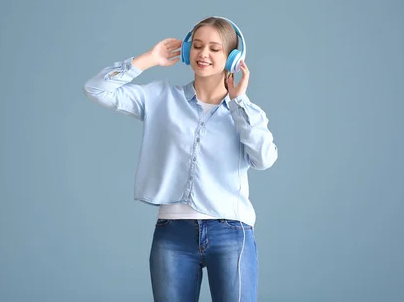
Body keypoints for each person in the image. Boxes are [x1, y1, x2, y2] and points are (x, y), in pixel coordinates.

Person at [83, 16, 278, 302]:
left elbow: (264, 159)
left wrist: (239, 102)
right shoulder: (160, 98)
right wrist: (148, 59)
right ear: (188, 51)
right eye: (197, 46)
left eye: (214, 48)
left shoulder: (245, 112)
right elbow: (96, 89)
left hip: (231, 233)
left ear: (233, 58)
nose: (204, 54)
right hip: (172, 234)